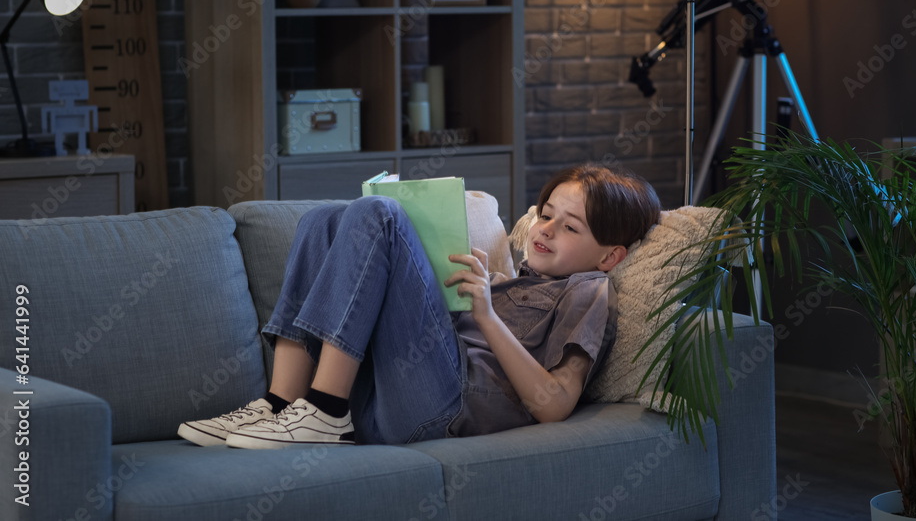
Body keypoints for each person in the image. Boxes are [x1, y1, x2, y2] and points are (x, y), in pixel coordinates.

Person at [178, 163, 661, 448]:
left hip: (442, 407)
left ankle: (324, 410)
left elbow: (554, 405)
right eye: (546, 215)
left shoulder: (588, 291)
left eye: (571, 227)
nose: (546, 230)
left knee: (380, 215)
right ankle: (281, 403)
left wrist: (486, 317)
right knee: (323, 220)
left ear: (610, 256)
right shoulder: (511, 279)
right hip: (386, 397)